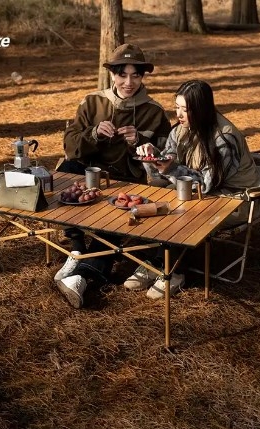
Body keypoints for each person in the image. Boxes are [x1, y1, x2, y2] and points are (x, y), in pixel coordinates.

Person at [54, 43, 171, 309]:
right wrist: (94, 133)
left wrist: (140, 142)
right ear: (112, 74)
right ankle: (76, 246)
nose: (129, 82)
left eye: (135, 75)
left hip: (127, 178)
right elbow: (70, 145)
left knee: (114, 223)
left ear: (143, 76)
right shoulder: (92, 101)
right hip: (90, 171)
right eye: (122, 75)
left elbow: (165, 158)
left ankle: (82, 277)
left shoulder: (153, 111)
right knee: (65, 172)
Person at [124, 79, 260, 300]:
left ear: (201, 109)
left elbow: (207, 184)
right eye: (176, 107)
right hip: (201, 192)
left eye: (185, 109)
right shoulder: (181, 130)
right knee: (157, 195)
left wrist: (171, 168)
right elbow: (166, 166)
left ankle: (173, 271)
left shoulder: (223, 139)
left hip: (236, 199)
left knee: (180, 208)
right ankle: (157, 261)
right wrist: (154, 156)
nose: (179, 114)